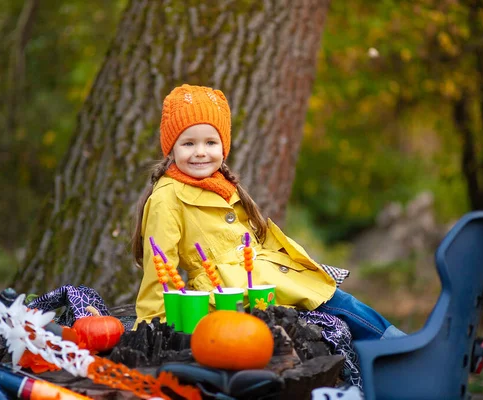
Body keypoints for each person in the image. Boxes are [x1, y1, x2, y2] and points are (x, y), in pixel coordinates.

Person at [132, 84, 405, 341]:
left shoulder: (223, 185)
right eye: (188, 143)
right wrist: (153, 326)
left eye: (210, 143)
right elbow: (160, 267)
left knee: (337, 303)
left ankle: (397, 346)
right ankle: (398, 345)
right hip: (228, 294)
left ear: (223, 147)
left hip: (258, 282)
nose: (201, 152)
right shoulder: (168, 196)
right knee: (336, 303)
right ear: (171, 148)